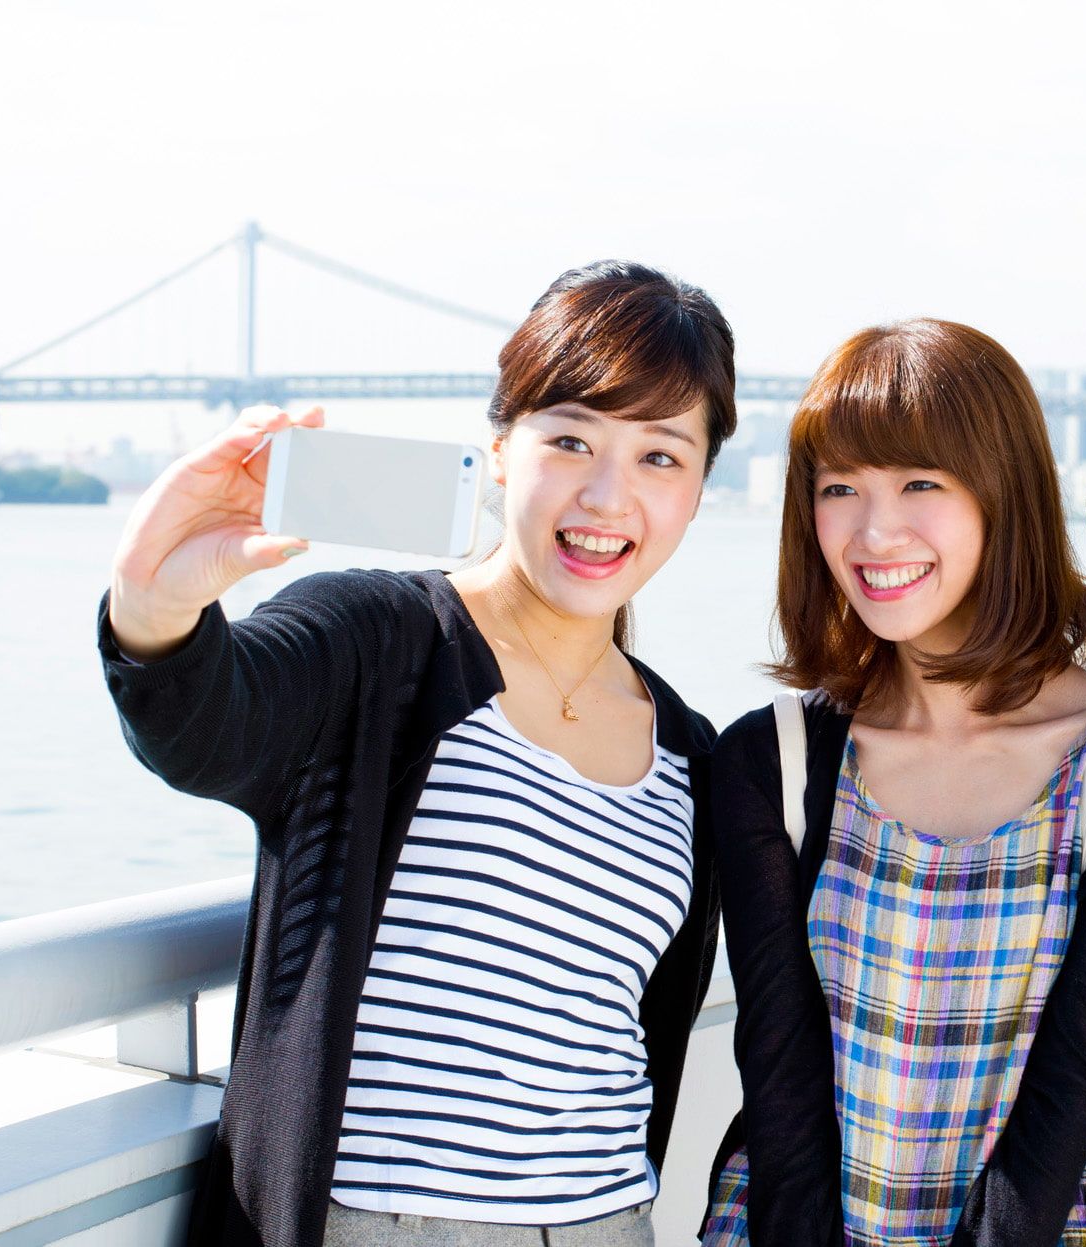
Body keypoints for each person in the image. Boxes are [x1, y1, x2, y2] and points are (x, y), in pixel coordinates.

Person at [100, 261, 738, 1247]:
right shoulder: (380, 639)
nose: (607, 494)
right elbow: (209, 726)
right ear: (498, 450)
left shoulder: (689, 751)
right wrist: (153, 604)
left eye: (660, 456)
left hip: (608, 1222)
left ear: (698, 488)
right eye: (569, 439)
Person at [699, 319, 1086, 1247]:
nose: (873, 529)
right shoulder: (768, 761)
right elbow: (781, 1091)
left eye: (920, 484)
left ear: (1002, 495)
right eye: (839, 488)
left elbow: (1067, 1101)